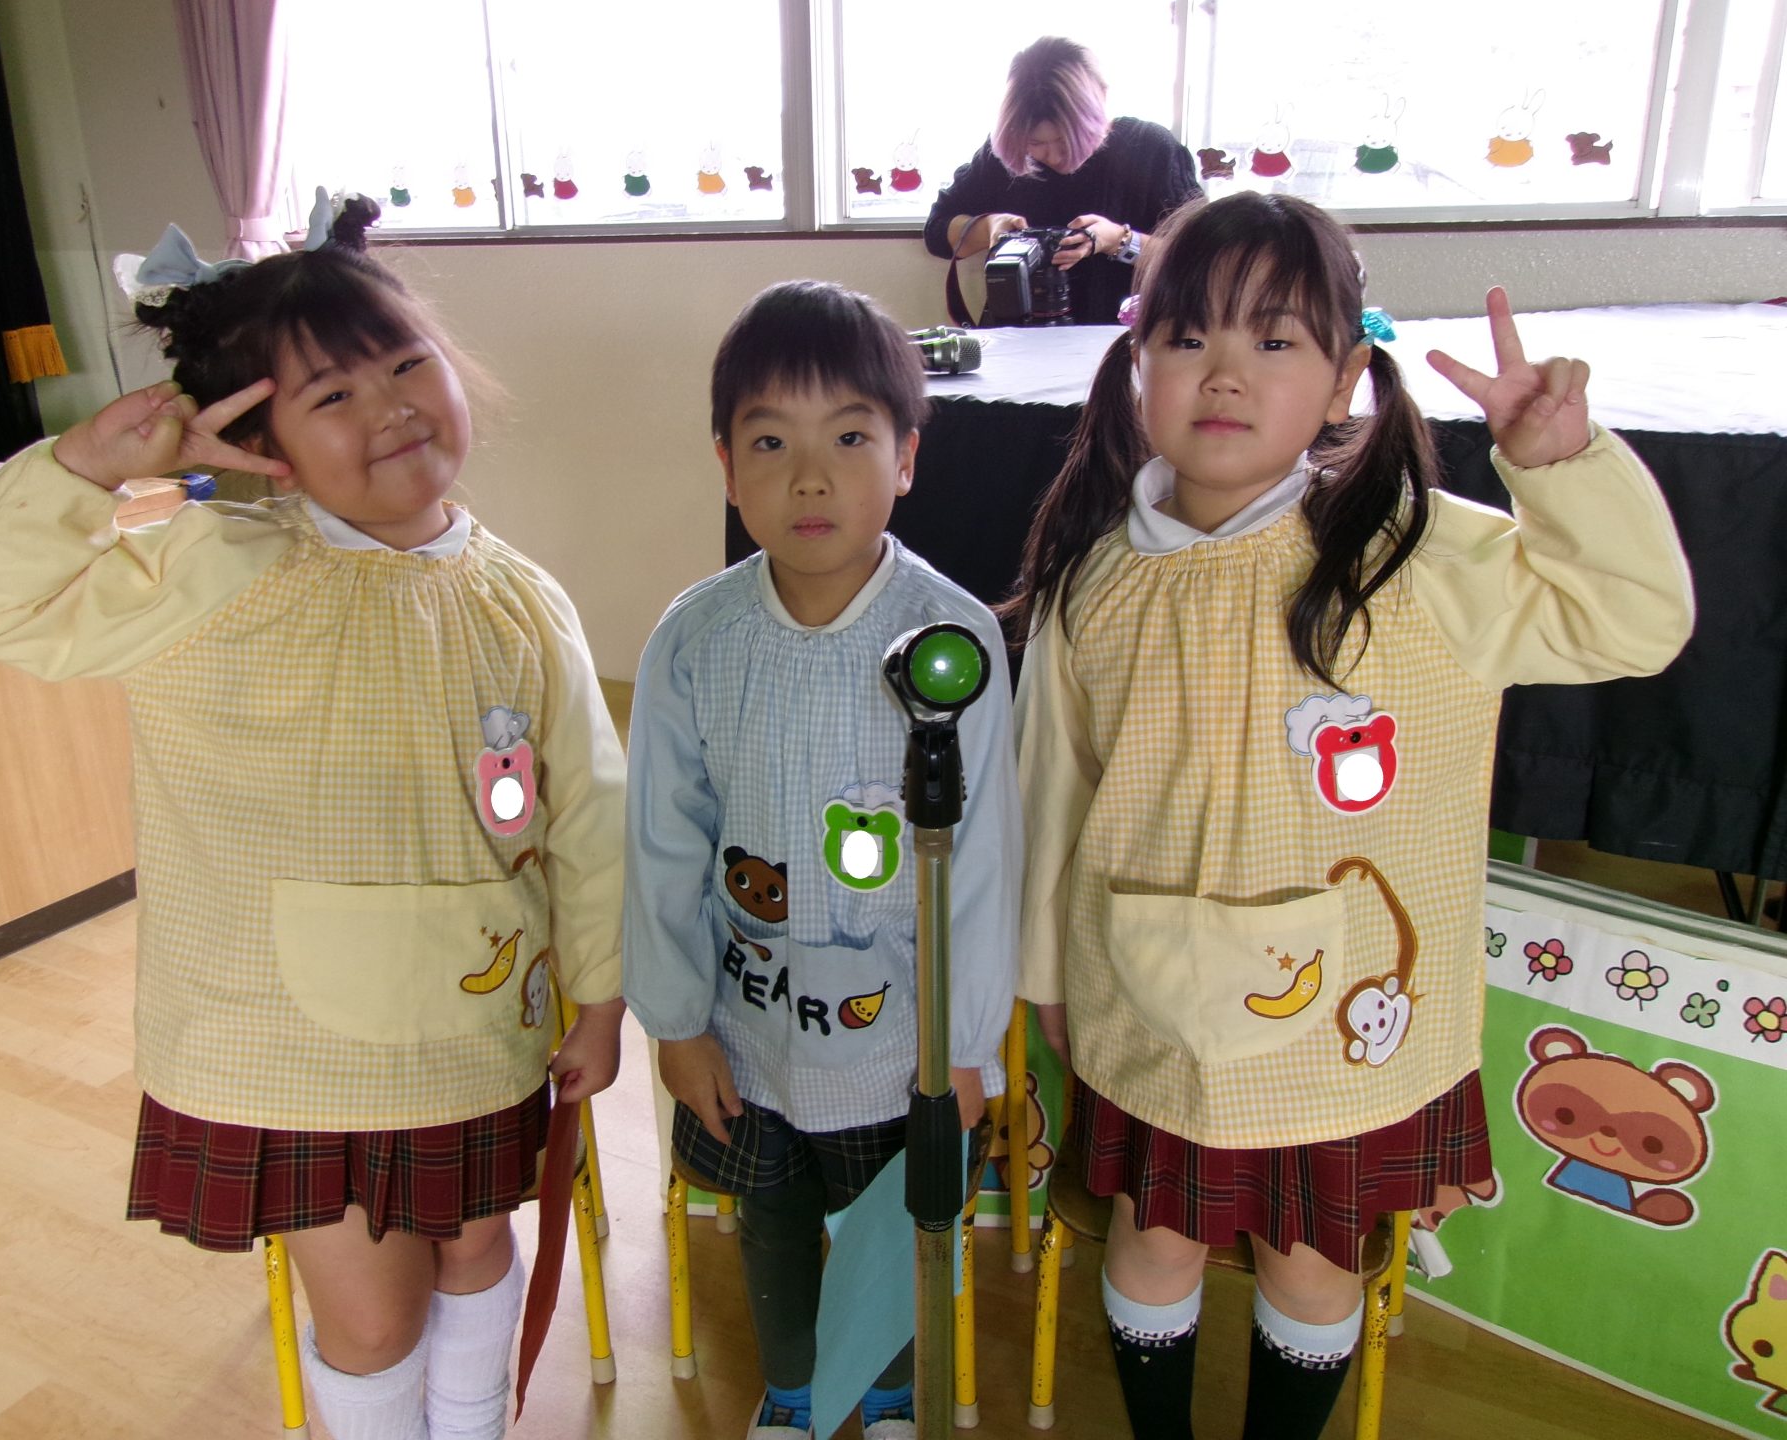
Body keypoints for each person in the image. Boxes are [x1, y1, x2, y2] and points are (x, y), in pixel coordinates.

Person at [0, 195, 626, 1440]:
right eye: (334, 394)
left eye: (406, 363)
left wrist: (606, 995)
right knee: (373, 1321)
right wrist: (93, 465)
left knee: (475, 1255)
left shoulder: (522, 595)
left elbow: (589, 812)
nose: (392, 406)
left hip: (480, 1023)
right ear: (262, 440)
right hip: (292, 1049)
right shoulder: (217, 564)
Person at [1005, 191, 1693, 1439]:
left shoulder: (1410, 555)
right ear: (1137, 363)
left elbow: (1635, 622)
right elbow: (1055, 791)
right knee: (1152, 1243)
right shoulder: (1096, 579)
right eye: (1187, 338)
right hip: (1150, 1002)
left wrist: (1561, 467)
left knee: (1311, 1266)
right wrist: (1048, 971)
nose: (1224, 373)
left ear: (1343, 383)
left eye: (1274, 340)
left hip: (1341, 1028)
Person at [622, 279, 1020, 1440]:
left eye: (849, 438)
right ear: (725, 464)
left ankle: (886, 1389)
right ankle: (796, 1388)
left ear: (906, 456)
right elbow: (661, 845)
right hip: (744, 1033)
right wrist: (676, 1018)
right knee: (774, 1223)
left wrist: (964, 1043)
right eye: (770, 442)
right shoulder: (694, 639)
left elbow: (983, 860)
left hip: (902, 1040)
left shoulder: (953, 637)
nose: (810, 478)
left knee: (896, 1221)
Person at [923, 36, 1201, 326]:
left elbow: (1201, 258)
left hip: (1120, 338)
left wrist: (1118, 240)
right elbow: (937, 231)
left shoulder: (1150, 149)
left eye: (1067, 141)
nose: (1054, 157)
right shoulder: (1003, 155)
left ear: (1101, 102)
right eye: (1035, 143)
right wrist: (989, 227)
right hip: (1017, 339)